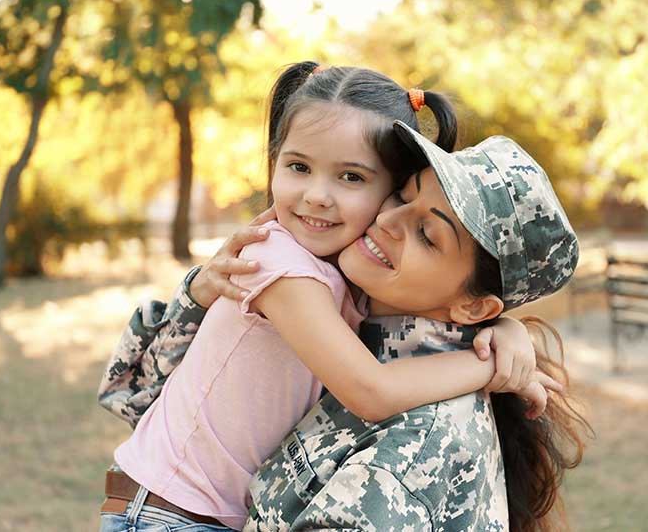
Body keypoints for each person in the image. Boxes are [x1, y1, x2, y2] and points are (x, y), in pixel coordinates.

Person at [97, 63, 552, 531]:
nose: (316, 195)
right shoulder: (278, 261)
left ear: (387, 190)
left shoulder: (345, 271)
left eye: (351, 178)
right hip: (165, 516)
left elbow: (434, 317)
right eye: (298, 167)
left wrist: (504, 329)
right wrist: (492, 368)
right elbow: (371, 393)